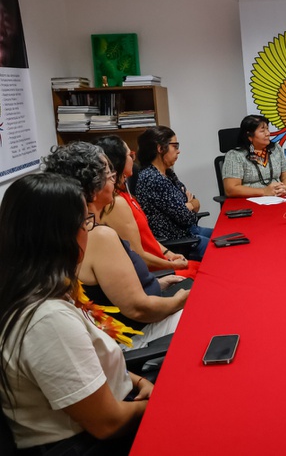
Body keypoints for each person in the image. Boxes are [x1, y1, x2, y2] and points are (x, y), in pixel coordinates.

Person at [0, 173, 150, 454]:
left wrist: (139, 380)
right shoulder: (47, 320)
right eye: (84, 222)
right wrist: (157, 405)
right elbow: (108, 423)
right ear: (58, 236)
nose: (89, 230)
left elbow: (89, 368)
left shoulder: (34, 292)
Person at [43, 141, 188, 349]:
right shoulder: (99, 235)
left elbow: (110, 292)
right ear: (92, 186)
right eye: (108, 173)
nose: (114, 178)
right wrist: (181, 300)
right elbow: (138, 310)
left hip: (141, 324)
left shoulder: (76, 228)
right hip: (138, 336)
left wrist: (158, 283)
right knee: (211, 310)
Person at [95, 135, 199, 279]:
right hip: (154, 272)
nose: (134, 159)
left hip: (162, 262)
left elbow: (148, 238)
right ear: (118, 161)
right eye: (130, 155)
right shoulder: (116, 203)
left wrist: (169, 254)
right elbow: (138, 255)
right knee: (206, 273)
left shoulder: (127, 194)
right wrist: (171, 264)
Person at [134, 126, 212, 261]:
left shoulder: (168, 173)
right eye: (175, 146)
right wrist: (190, 205)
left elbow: (192, 200)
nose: (179, 151)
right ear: (160, 148)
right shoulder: (152, 178)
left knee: (225, 236)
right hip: (178, 242)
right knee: (223, 249)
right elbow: (186, 217)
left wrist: (190, 205)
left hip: (188, 231)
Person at [222, 114, 286, 197]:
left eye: (267, 129)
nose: (268, 133)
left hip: (277, 198)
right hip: (248, 201)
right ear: (249, 136)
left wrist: (284, 188)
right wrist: (264, 191)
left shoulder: (275, 149)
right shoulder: (235, 155)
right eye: (262, 131)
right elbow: (231, 189)